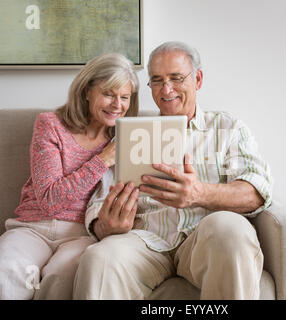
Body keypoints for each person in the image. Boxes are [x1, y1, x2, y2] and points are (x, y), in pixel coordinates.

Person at [73, 42, 273, 300]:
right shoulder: (128, 133)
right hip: (144, 241)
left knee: (231, 228)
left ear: (197, 79)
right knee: (99, 257)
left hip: (203, 240)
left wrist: (200, 193)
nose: (166, 89)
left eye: (176, 78)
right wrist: (106, 226)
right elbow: (97, 206)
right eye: (157, 81)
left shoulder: (227, 128)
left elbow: (256, 191)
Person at [0, 53, 139, 300]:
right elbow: (50, 200)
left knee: (62, 275)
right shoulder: (51, 124)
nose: (117, 104)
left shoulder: (128, 139)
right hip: (33, 228)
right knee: (8, 270)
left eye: (125, 97)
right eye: (108, 93)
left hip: (83, 233)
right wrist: (103, 159)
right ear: (87, 91)